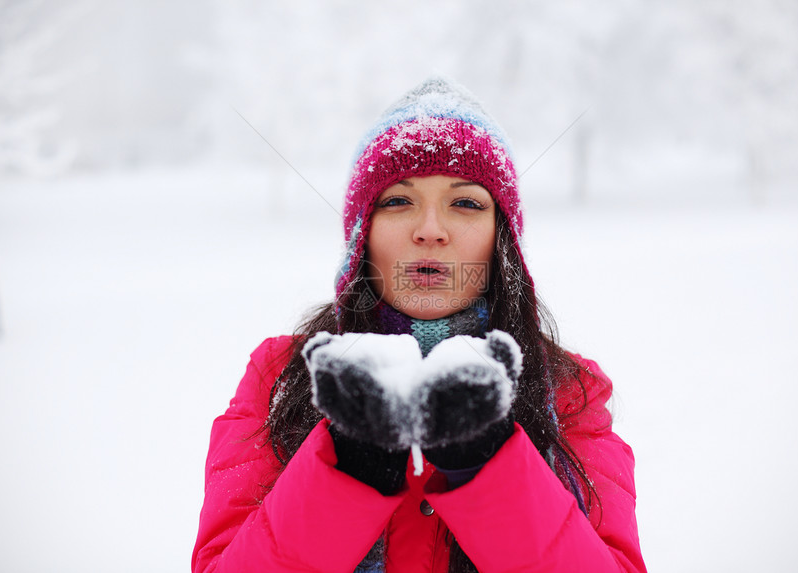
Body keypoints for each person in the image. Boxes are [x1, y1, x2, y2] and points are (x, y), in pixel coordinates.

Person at [192, 77, 646, 573]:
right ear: (361, 237)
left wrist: (487, 462)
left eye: (467, 203)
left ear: (502, 240)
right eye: (397, 201)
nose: (430, 230)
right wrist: (351, 463)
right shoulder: (281, 376)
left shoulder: (569, 391)